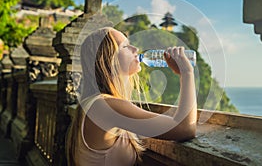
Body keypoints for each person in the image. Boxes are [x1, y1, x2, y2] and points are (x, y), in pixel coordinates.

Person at [66, 27, 197, 166]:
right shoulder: (105, 105)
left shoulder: (95, 103)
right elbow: (185, 129)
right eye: (125, 46)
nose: (135, 49)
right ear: (107, 59)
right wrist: (187, 73)